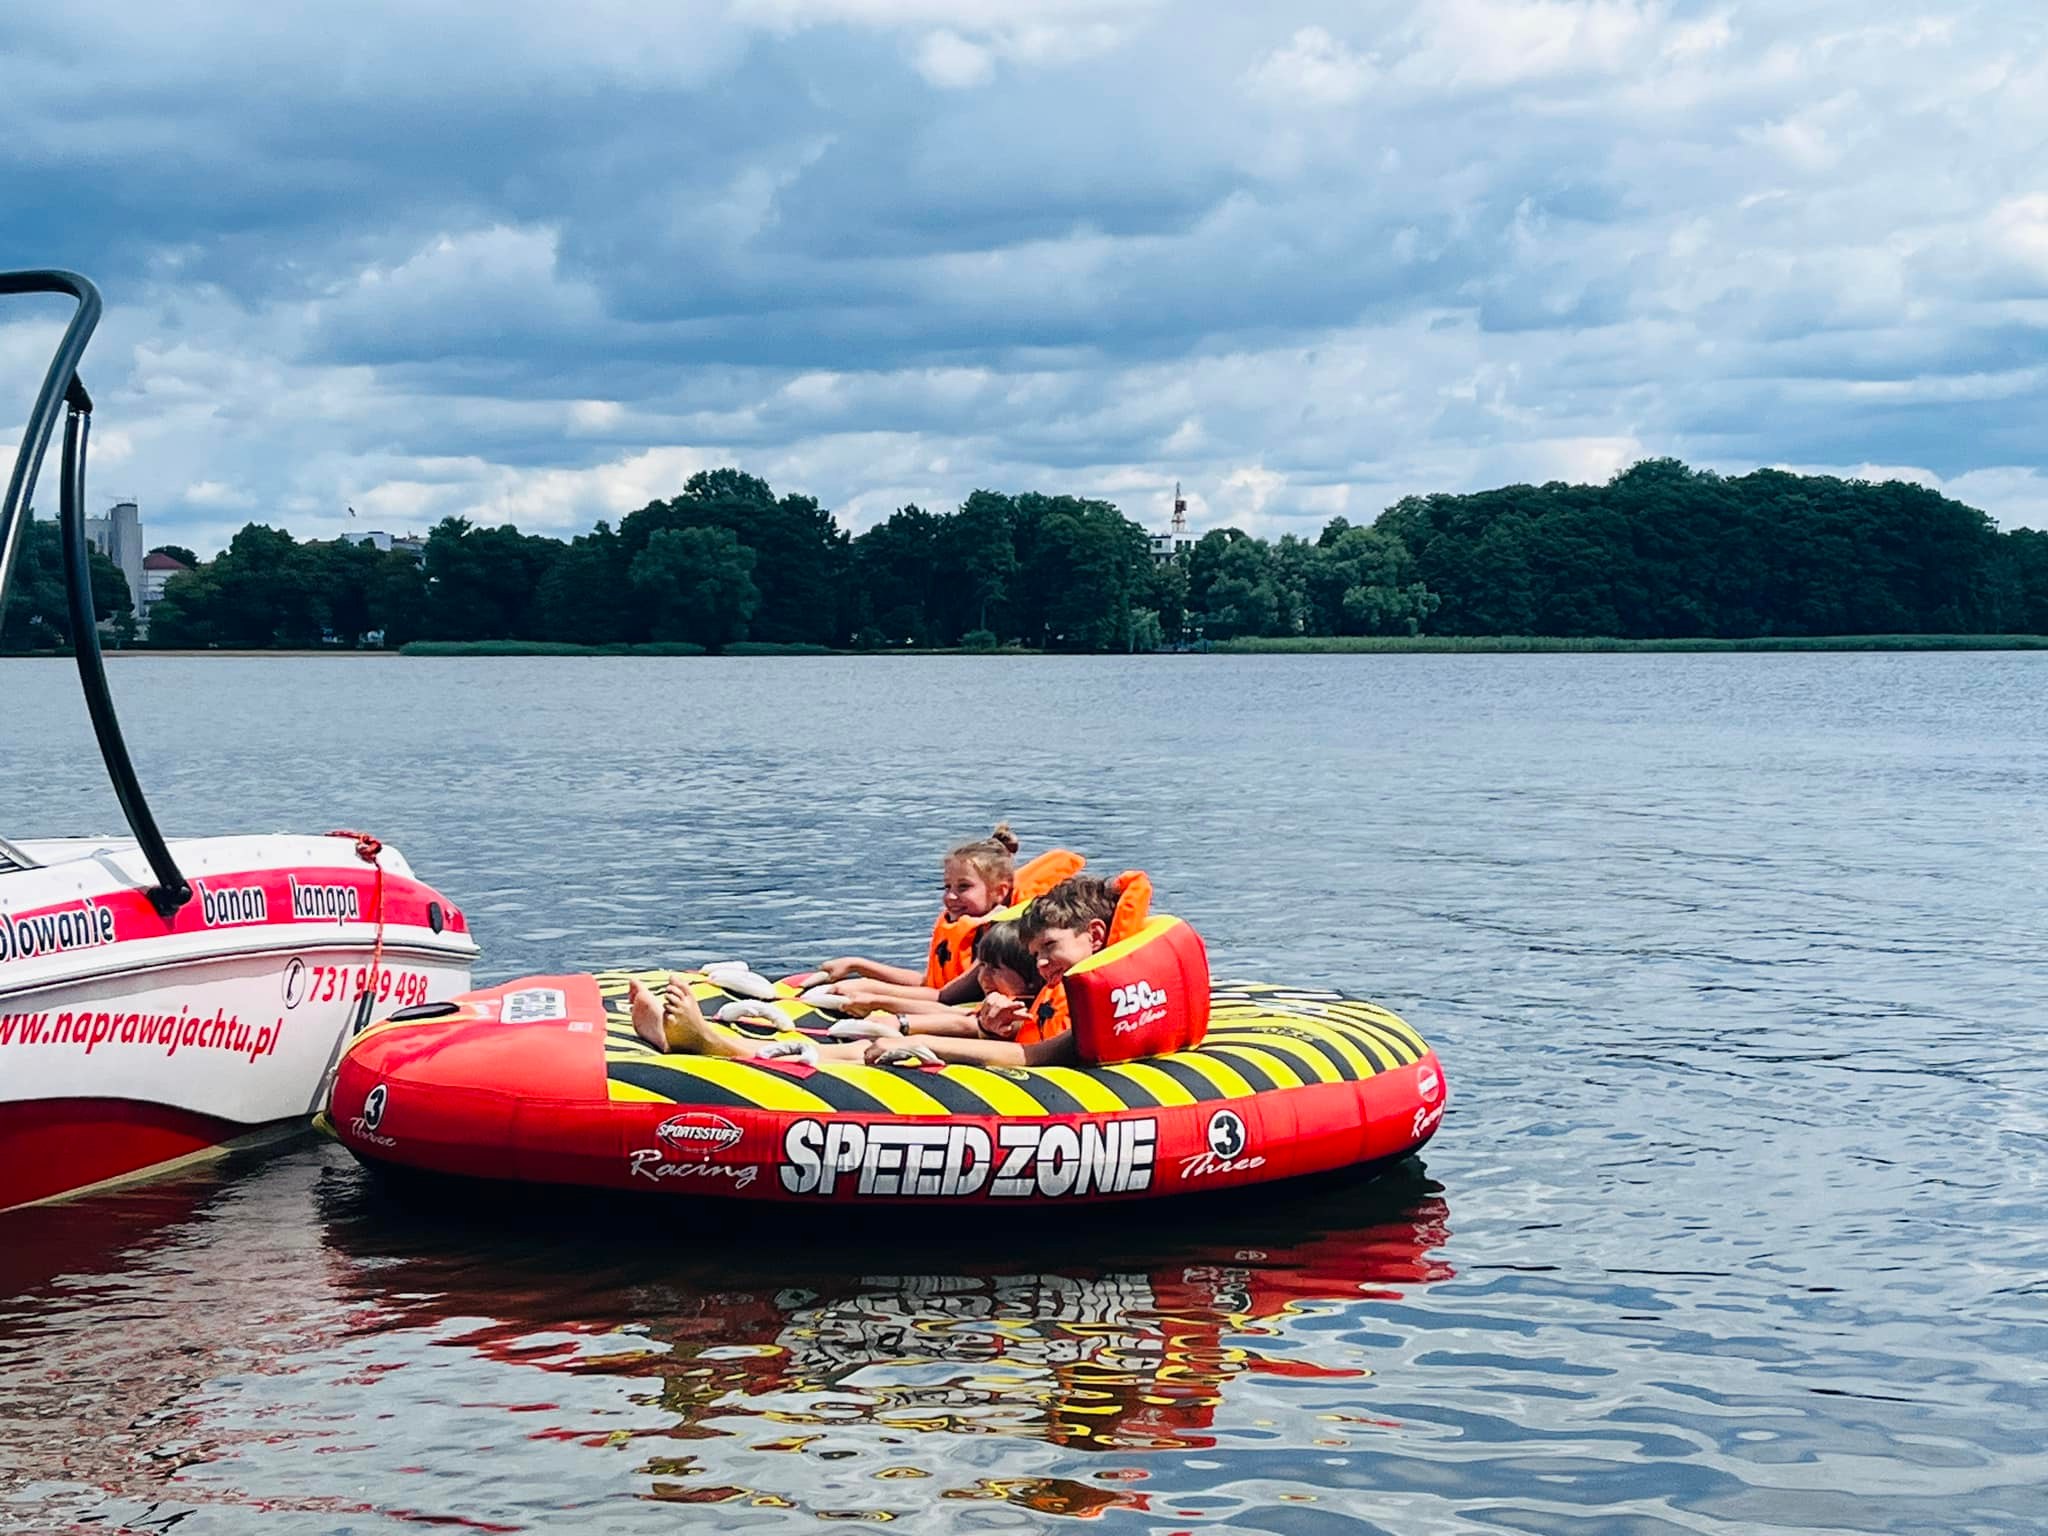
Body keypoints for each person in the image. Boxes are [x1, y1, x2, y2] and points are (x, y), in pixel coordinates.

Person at [631, 875, 1120, 1068]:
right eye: (1036, 953)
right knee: (869, 1043)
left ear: (1095, 936)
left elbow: (1033, 1054)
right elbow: (967, 1012)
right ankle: (718, 1044)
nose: (1041, 963)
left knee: (873, 1049)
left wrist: (911, 1035)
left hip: (1040, 1082)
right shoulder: (1065, 984)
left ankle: (723, 1046)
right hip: (993, 1041)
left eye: (1049, 948)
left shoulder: (1107, 1002)